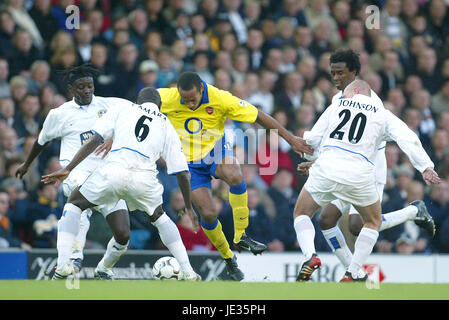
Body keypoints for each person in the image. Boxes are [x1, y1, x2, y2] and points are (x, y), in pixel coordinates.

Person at [155, 71, 313, 281]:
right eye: (185, 100)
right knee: (209, 214)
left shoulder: (221, 98)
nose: (190, 105)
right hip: (187, 162)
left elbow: (260, 116)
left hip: (215, 151)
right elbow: (139, 104)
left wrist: (291, 138)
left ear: (202, 89)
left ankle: (241, 235)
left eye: (193, 100)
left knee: (235, 174)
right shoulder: (168, 97)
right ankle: (229, 258)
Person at [298, 49, 436, 275]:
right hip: (343, 169)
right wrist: (316, 161)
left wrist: (424, 165)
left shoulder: (374, 106)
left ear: (354, 73)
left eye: (340, 73)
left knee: (357, 225)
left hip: (368, 174)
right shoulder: (338, 100)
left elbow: (403, 134)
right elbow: (332, 138)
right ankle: (354, 274)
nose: (336, 78)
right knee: (326, 219)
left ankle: (413, 212)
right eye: (332, 73)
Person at [42, 87, 201, 281]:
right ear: (160, 106)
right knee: (160, 217)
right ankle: (188, 271)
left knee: (74, 203)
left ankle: (65, 263)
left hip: (114, 171)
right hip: (145, 180)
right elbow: (182, 173)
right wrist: (189, 207)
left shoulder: (124, 109)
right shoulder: (166, 123)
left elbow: (96, 139)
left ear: (138, 101)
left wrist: (70, 167)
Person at [15, 64, 133, 279]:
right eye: (81, 87)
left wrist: (115, 136)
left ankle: (103, 269)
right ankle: (74, 258)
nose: (87, 90)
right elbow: (42, 141)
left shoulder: (109, 105)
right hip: (73, 172)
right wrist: (27, 164)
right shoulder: (59, 114)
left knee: (123, 234)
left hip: (106, 176)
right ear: (71, 89)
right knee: (81, 203)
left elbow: (139, 111)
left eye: (90, 86)